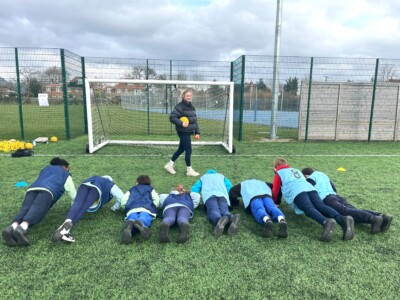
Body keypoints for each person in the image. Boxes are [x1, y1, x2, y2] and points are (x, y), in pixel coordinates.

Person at [271, 158, 354, 242]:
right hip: (310, 189)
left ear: (276, 167)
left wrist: (275, 202)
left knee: (308, 208)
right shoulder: (296, 170)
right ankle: (342, 219)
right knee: (321, 206)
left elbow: (276, 190)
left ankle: (325, 222)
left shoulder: (279, 173)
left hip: (297, 191)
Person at [2, 157, 76, 247]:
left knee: (25, 209)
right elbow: (73, 195)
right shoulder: (66, 174)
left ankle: (12, 227)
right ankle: (22, 228)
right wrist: (75, 206)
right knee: (37, 210)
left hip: (32, 189)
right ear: (65, 167)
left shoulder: (46, 168)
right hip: (48, 191)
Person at [301, 167, 393, 234]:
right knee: (352, 209)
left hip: (327, 198)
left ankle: (372, 218)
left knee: (346, 211)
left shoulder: (310, 177)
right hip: (335, 196)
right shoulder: (323, 175)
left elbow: (309, 189)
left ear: (306, 175)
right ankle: (380, 215)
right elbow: (333, 187)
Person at [52, 175, 124, 243]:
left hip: (84, 185)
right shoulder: (110, 183)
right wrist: (114, 208)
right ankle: (66, 231)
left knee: (77, 203)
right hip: (96, 189)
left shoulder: (94, 177)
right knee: (84, 207)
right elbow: (121, 198)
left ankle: (65, 225)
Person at [191, 169, 240, 237]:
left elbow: (194, 189)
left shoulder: (203, 177)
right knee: (224, 210)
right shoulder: (221, 176)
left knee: (213, 210)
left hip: (210, 197)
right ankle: (232, 217)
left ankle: (219, 220)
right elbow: (230, 188)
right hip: (223, 197)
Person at [113, 175, 160, 244]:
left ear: (137, 182)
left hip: (132, 209)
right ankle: (141, 222)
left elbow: (123, 200)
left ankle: (130, 223)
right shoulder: (150, 189)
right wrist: (153, 206)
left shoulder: (132, 189)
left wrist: (125, 207)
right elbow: (156, 199)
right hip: (146, 208)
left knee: (132, 217)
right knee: (145, 217)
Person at [164, 88, 200, 177]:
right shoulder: (179, 106)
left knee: (181, 149)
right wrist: (181, 123)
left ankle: (169, 165)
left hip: (189, 131)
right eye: (187, 95)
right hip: (182, 131)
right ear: (183, 96)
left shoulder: (192, 107)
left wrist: (197, 132)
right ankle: (189, 170)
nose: (189, 97)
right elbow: (172, 117)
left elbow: (195, 121)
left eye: (190, 96)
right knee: (188, 150)